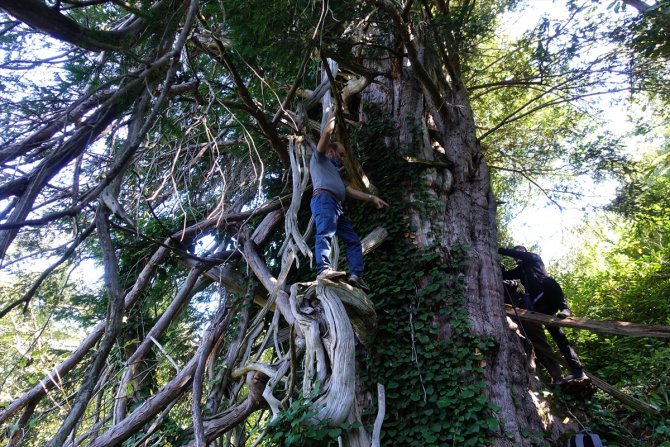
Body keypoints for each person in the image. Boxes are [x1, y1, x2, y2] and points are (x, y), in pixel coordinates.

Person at [310, 114, 388, 290]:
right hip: (324, 200)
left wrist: (371, 198)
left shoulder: (335, 174)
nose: (342, 158)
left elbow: (350, 191)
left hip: (336, 206)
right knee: (325, 233)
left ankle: (356, 276)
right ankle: (323, 270)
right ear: (331, 151)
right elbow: (325, 136)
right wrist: (333, 116)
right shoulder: (319, 158)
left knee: (353, 240)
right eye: (341, 154)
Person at [499, 246, 586, 382]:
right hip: (539, 307)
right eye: (517, 254)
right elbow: (505, 276)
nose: (518, 254)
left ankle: (565, 308)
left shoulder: (534, 258)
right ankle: (577, 371)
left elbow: (513, 253)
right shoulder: (520, 270)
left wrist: (497, 249)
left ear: (525, 252)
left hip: (548, 297)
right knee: (560, 338)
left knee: (549, 281)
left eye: (521, 252)